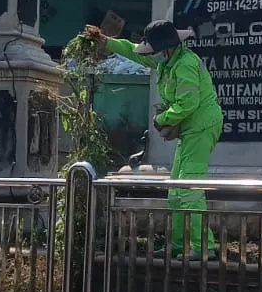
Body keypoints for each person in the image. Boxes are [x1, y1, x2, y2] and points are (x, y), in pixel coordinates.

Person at [87, 20, 222, 260]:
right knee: (176, 190)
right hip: (191, 129)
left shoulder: (185, 65)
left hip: (201, 128)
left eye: (153, 50)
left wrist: (162, 119)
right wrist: (107, 42)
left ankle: (203, 248)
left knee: (190, 189)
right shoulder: (167, 61)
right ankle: (181, 246)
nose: (151, 55)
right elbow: (133, 51)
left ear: (166, 48)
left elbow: (188, 103)